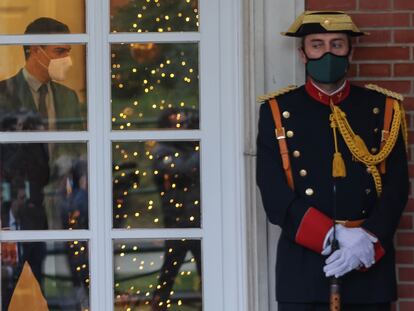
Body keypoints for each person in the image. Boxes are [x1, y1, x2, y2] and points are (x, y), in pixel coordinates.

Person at [256, 11, 409, 311]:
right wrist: (328, 236)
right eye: (317, 44)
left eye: (337, 44)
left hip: (369, 266)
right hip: (303, 270)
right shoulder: (277, 110)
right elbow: (273, 191)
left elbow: (397, 186)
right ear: (303, 54)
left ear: (350, 50)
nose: (327, 52)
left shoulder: (383, 108)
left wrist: (367, 241)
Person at [0, 17, 84, 131]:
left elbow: (78, 146)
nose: (67, 60)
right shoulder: (3, 93)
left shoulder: (68, 96)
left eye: (67, 51)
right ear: (35, 51)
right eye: (60, 51)